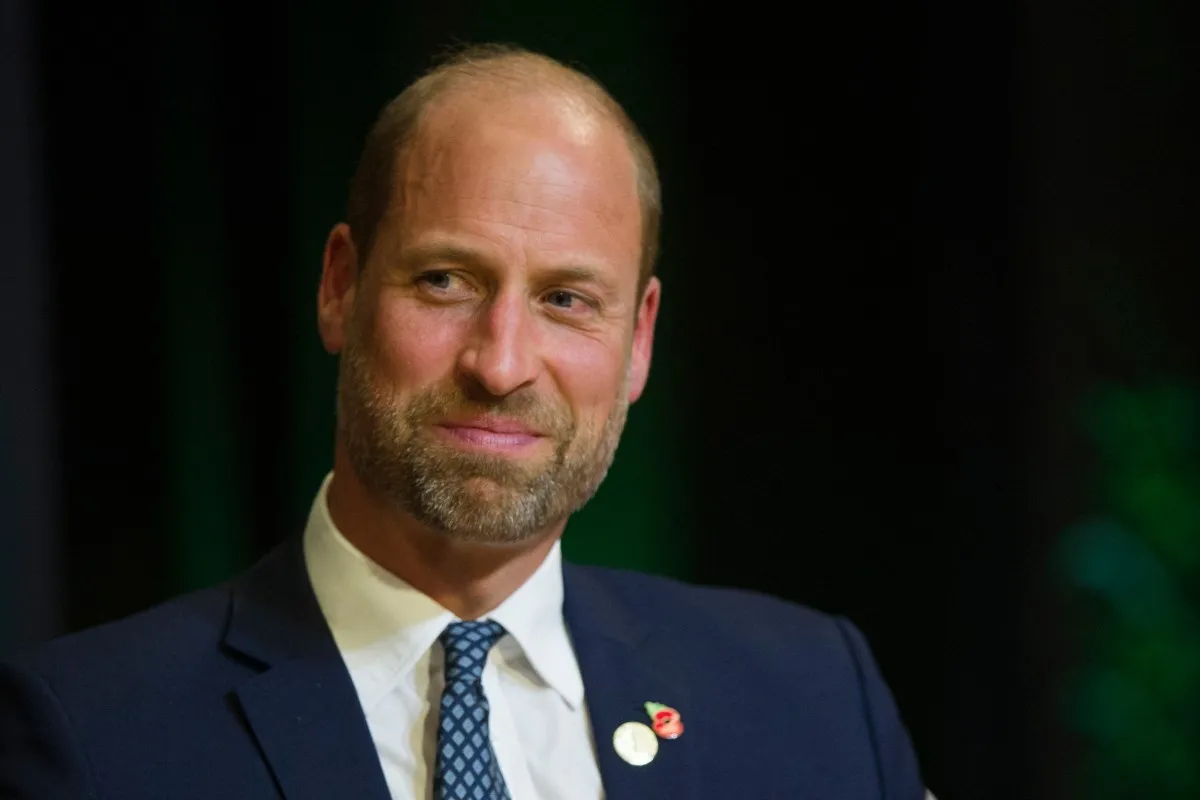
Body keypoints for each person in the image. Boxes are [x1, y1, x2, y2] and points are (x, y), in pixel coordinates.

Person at [0, 44, 926, 799]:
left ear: (640, 340)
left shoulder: (814, 697)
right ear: (340, 286)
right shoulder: (88, 736)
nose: (501, 362)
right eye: (445, 281)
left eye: (566, 299)